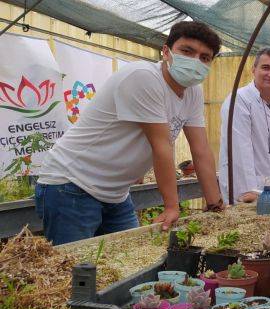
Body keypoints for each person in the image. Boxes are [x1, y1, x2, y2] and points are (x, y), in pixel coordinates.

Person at [35, 21, 224, 245]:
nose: (195, 62)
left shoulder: (193, 92)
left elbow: (200, 150)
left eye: (204, 57)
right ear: (166, 51)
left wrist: (216, 207)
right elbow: (162, 146)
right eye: (187, 51)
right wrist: (172, 207)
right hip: (71, 183)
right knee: (74, 271)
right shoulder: (143, 77)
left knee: (129, 265)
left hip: (115, 194)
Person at [219, 48, 270, 204]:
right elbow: (241, 150)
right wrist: (251, 191)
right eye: (265, 67)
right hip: (245, 192)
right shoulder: (240, 99)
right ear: (253, 69)